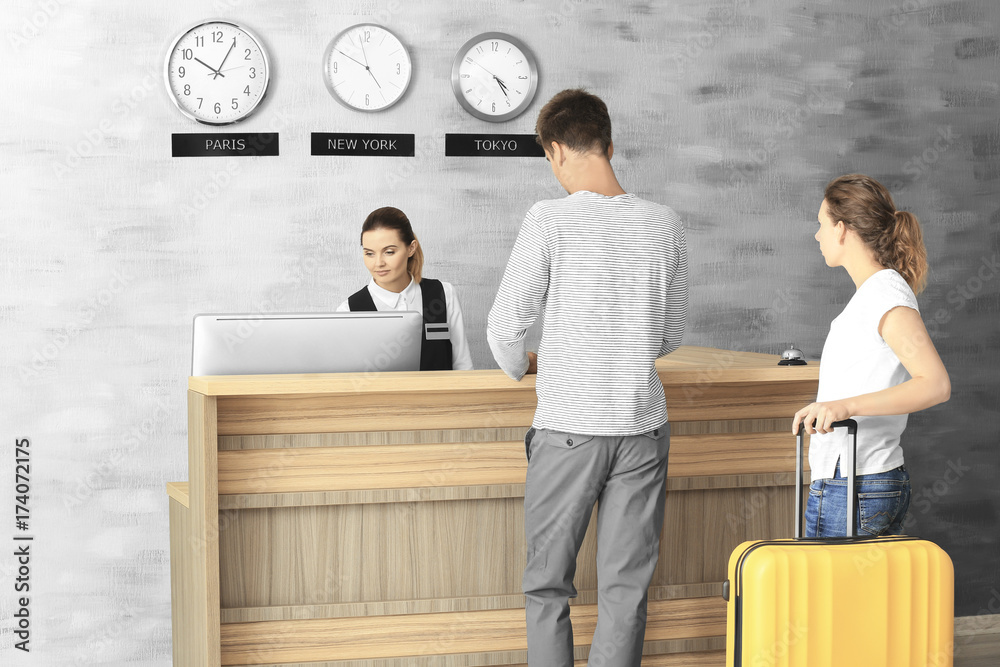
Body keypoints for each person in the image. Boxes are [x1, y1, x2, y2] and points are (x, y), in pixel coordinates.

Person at [486, 89, 688, 667]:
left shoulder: (549, 218)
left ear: (555, 151)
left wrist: (524, 365)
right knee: (625, 591)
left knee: (548, 584)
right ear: (609, 145)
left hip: (570, 427)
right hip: (642, 428)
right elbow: (669, 335)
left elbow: (505, 327)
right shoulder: (665, 223)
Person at [792, 174, 950, 538]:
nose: (817, 235)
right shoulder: (874, 294)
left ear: (843, 229)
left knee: (832, 597)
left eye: (821, 224)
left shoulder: (884, 294)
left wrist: (843, 407)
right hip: (852, 481)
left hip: (856, 485)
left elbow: (935, 384)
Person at [337, 206, 473, 370]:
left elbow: (463, 366)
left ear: (411, 248)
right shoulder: (348, 311)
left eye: (389, 252)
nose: (378, 263)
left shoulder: (444, 294)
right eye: (369, 253)